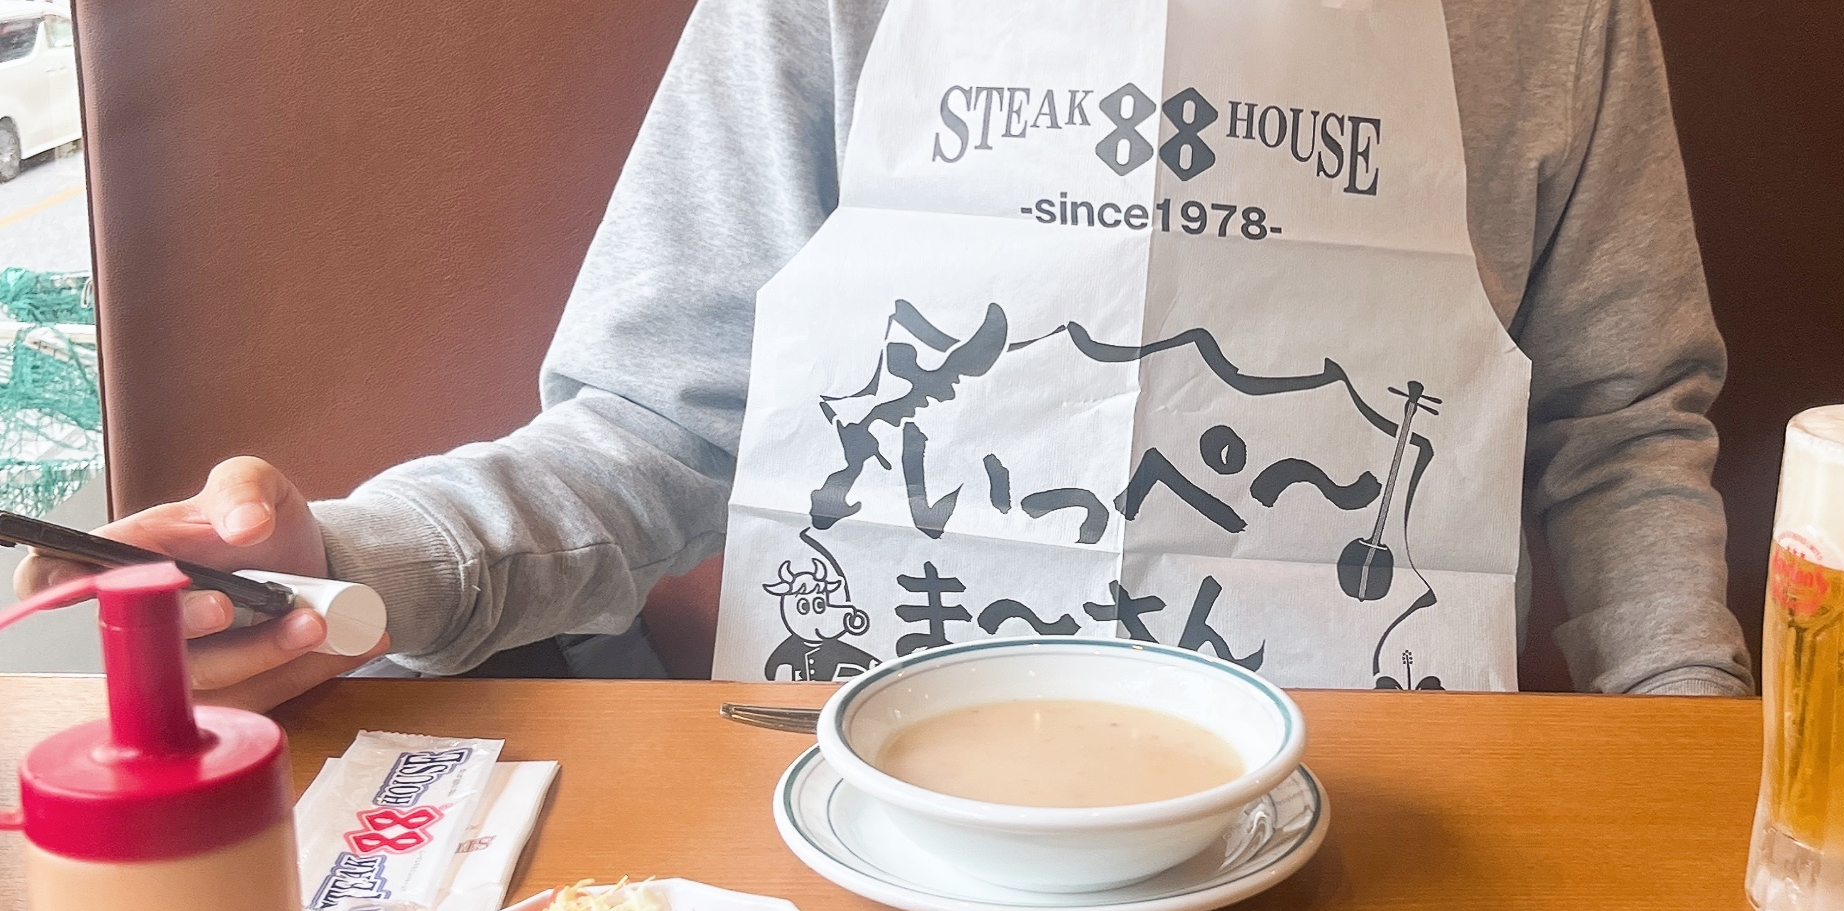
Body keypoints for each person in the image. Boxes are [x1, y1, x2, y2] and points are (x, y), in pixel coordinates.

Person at [18, 0, 1754, 705]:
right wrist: (337, 569)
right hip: (874, 805)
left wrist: (1687, 750)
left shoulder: (1551, 18)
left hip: (1379, 834)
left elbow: (1618, 431)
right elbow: (651, 431)